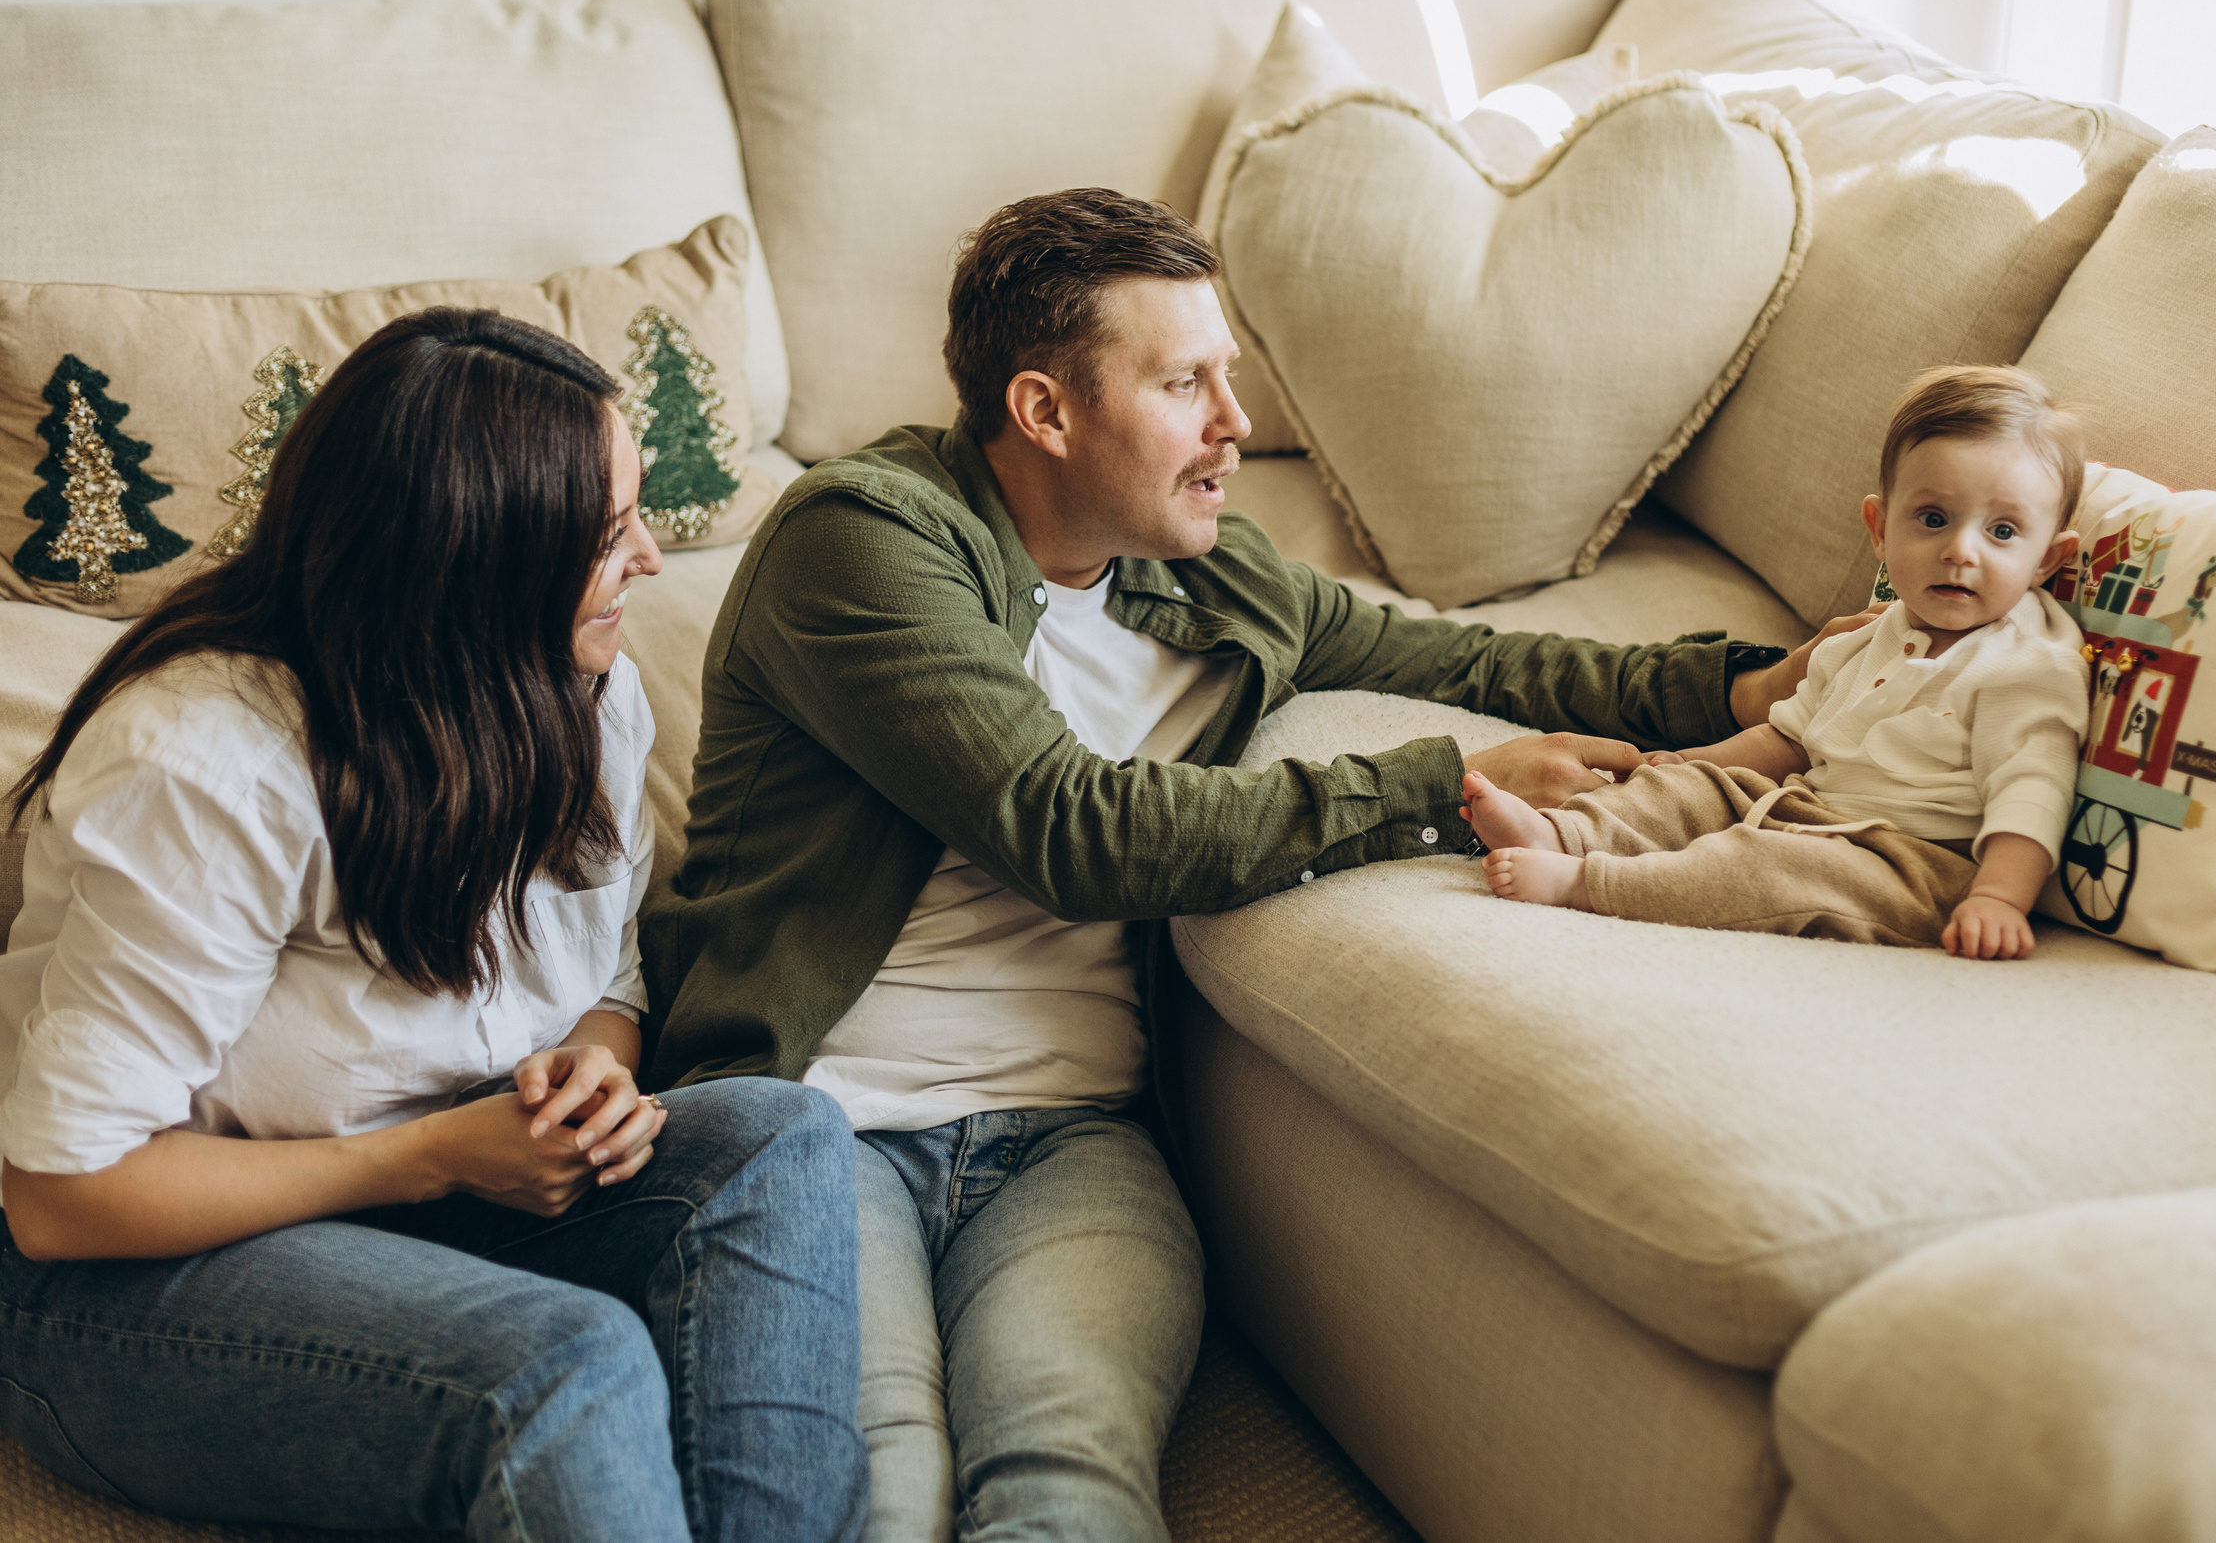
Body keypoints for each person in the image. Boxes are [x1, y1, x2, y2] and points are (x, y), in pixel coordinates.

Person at [642, 187, 1863, 1542]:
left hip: (1075, 1136)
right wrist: (1433, 791)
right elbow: (1071, 829)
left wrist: (1749, 679)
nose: (1235, 420)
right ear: (1045, 411)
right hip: (821, 1119)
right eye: (1184, 382)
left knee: (1067, 1460)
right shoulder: (863, 539)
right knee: (885, 1478)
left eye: (1228, 373)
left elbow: (1465, 656)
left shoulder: (1211, 572)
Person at [0, 309, 867, 1542]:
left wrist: (594, 1070)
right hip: (117, 1277)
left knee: (778, 1138)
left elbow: (604, 968)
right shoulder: (206, 768)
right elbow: (61, 1194)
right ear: (476, 562)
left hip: (440, 1197)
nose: (654, 561)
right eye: (610, 533)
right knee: (567, 1364)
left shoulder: (579, 686)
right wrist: (438, 1157)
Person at [1467, 365, 2091, 961]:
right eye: (1933, 519)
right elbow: (1786, 738)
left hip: (1912, 866)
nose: (1961, 551)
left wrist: (1998, 898)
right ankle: (1561, 834)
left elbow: (2032, 790)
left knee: (1765, 868)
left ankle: (1586, 883)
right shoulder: (1869, 635)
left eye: (2002, 532)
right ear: (1880, 529)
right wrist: (1685, 765)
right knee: (1698, 791)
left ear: (2047, 561)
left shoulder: (2029, 668)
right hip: (1801, 806)